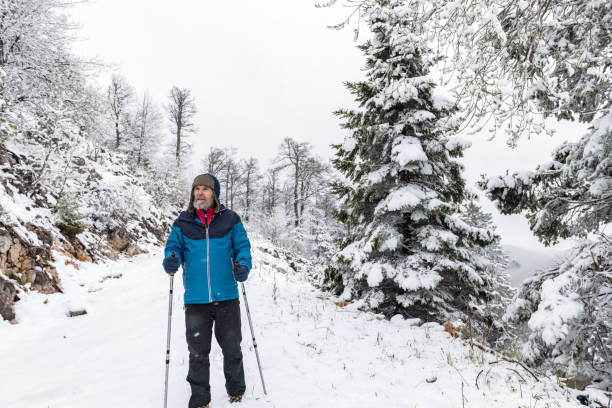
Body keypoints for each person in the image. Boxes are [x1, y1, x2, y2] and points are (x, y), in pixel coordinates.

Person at [162, 173, 252, 408]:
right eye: (196, 189)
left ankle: (236, 391)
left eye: (205, 189)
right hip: (196, 300)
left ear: (215, 194)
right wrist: (172, 258)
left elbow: (242, 246)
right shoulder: (183, 222)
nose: (199, 193)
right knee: (198, 354)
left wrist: (243, 264)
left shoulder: (230, 220)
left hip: (227, 297)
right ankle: (201, 401)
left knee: (232, 348)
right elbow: (174, 246)